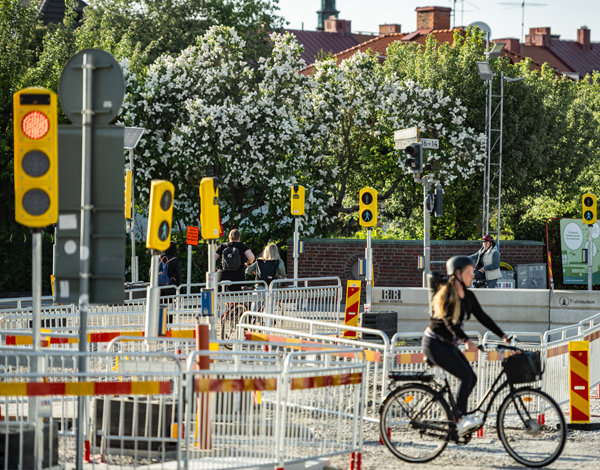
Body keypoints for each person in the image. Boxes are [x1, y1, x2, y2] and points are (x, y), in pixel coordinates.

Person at [424, 256, 511, 436]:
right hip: (434, 343)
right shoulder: (448, 294)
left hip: (447, 344)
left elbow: (483, 317)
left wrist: (502, 335)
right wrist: (466, 340)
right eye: (469, 273)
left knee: (471, 377)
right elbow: (449, 323)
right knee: (465, 376)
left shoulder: (468, 296)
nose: (473, 276)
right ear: (457, 274)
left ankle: (454, 416)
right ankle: (459, 419)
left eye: (473, 272)